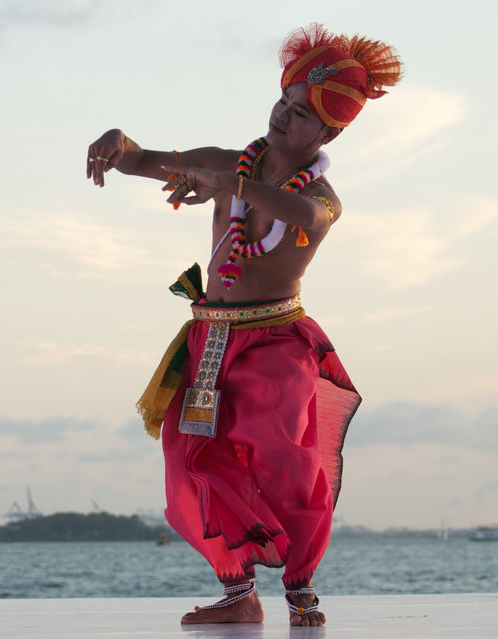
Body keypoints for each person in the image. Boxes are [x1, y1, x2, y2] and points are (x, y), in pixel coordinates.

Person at [86, 24, 401, 627]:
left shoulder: (320, 196)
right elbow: (143, 160)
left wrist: (229, 186)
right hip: (209, 339)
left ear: (329, 133)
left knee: (282, 455)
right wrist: (117, 143)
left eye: (301, 114)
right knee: (189, 457)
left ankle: (301, 587)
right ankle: (238, 592)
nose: (283, 115)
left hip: (276, 341)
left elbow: (307, 216)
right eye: (284, 101)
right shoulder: (227, 163)